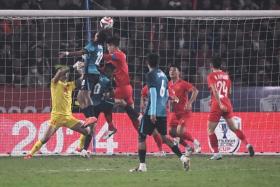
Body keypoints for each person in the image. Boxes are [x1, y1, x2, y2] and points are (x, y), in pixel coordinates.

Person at [130, 53, 190, 172]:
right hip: (162, 112)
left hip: (152, 111)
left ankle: (142, 166)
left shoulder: (150, 74)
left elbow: (152, 92)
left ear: (147, 63)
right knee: (164, 137)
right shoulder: (163, 75)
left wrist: (152, 112)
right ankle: (183, 158)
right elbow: (167, 93)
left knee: (141, 137)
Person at [24, 66, 97, 159]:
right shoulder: (54, 83)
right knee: (45, 138)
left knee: (87, 131)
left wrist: (81, 70)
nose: (65, 75)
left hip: (69, 118)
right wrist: (71, 67)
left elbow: (82, 80)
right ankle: (30, 154)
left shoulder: (69, 85)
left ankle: (79, 148)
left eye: (66, 74)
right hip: (56, 118)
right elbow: (59, 73)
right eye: (64, 74)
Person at [207, 57, 255, 160]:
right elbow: (229, 92)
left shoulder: (211, 76)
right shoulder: (226, 76)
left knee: (210, 129)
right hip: (227, 103)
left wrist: (218, 103)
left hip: (217, 104)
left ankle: (216, 153)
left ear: (211, 66)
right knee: (234, 128)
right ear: (221, 66)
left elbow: (215, 91)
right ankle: (247, 144)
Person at [76, 63, 127, 157]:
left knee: (92, 128)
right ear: (109, 71)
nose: (113, 74)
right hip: (100, 103)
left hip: (91, 105)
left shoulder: (95, 76)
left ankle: (83, 150)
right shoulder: (108, 80)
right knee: (121, 102)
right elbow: (112, 94)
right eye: (112, 71)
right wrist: (107, 94)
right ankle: (112, 127)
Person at [59, 30, 107, 122]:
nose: (95, 34)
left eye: (97, 34)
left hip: (90, 73)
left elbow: (81, 52)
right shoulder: (101, 47)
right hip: (94, 73)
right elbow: (88, 57)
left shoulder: (93, 44)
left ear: (97, 37)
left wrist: (66, 53)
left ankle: (92, 117)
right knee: (80, 97)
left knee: (86, 95)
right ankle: (88, 117)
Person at [103, 36, 140, 138]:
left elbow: (107, 57)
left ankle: (111, 127)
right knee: (132, 116)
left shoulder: (120, 55)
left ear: (113, 46)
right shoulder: (114, 58)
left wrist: (94, 55)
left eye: (108, 47)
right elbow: (105, 69)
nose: (108, 49)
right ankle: (142, 136)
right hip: (127, 89)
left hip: (122, 88)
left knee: (104, 104)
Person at [168, 64, 201, 156]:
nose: (172, 72)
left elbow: (195, 91)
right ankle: (188, 147)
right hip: (175, 113)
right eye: (170, 70)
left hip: (184, 112)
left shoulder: (183, 83)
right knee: (171, 132)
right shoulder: (169, 84)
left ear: (179, 72)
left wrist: (189, 103)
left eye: (174, 70)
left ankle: (196, 143)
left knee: (179, 132)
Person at [140, 85, 164, 156]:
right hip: (149, 112)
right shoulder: (145, 88)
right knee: (155, 133)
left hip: (157, 112)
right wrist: (142, 110)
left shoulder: (159, 86)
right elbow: (142, 98)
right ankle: (161, 150)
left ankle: (161, 151)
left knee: (155, 133)